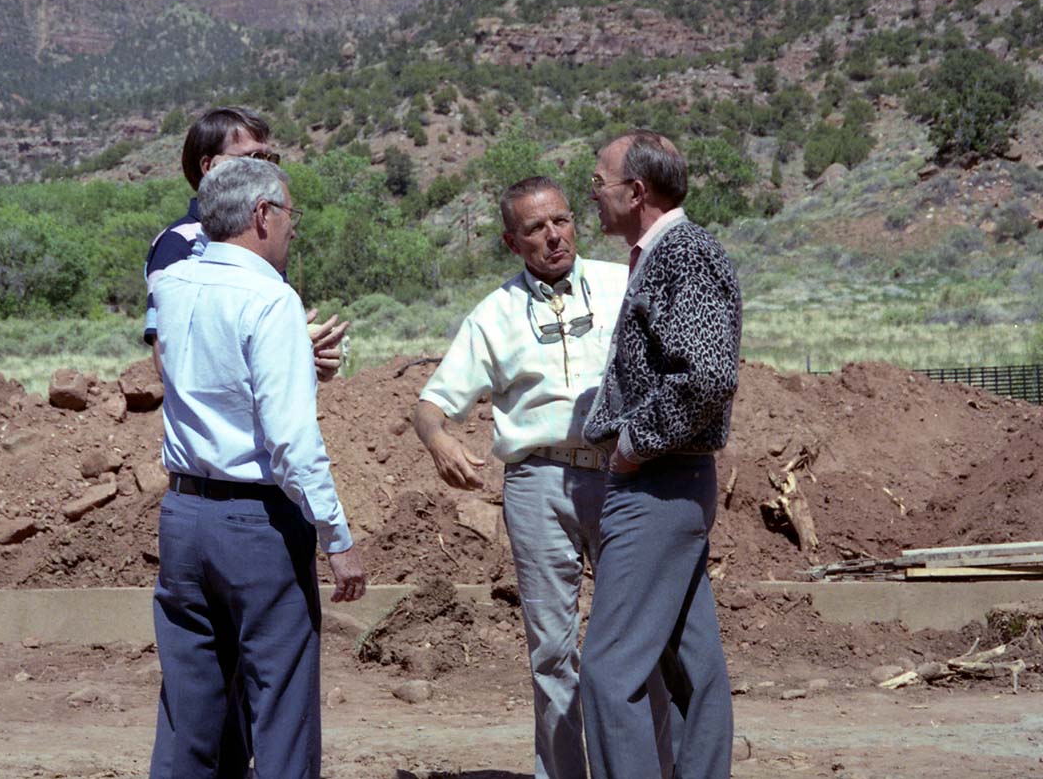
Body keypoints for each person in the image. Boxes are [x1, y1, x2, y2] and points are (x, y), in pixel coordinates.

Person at [414, 176, 638, 779]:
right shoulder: (494, 315)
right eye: (534, 229)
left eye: (560, 221)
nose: (552, 237)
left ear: (575, 222)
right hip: (538, 483)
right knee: (553, 649)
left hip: (625, 476)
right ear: (513, 242)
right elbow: (432, 404)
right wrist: (439, 440)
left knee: (639, 643)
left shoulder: (624, 284)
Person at [149, 157, 365, 779]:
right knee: (282, 706)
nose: (294, 228)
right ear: (263, 215)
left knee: (189, 713)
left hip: (182, 515)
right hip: (257, 525)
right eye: (290, 214)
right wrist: (336, 537)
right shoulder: (271, 302)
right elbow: (292, 441)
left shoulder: (174, 285)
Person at [580, 130, 742, 779]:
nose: (591, 194)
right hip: (669, 484)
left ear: (636, 191)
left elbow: (705, 375)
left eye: (598, 182)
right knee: (687, 668)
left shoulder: (684, 254)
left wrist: (631, 445)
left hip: (657, 484)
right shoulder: (665, 254)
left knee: (608, 669)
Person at [143, 106, 347, 380]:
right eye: (253, 158)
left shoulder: (260, 236)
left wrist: (309, 360)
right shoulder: (176, 243)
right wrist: (285, 351)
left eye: (270, 158)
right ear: (209, 167)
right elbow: (167, 361)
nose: (267, 170)